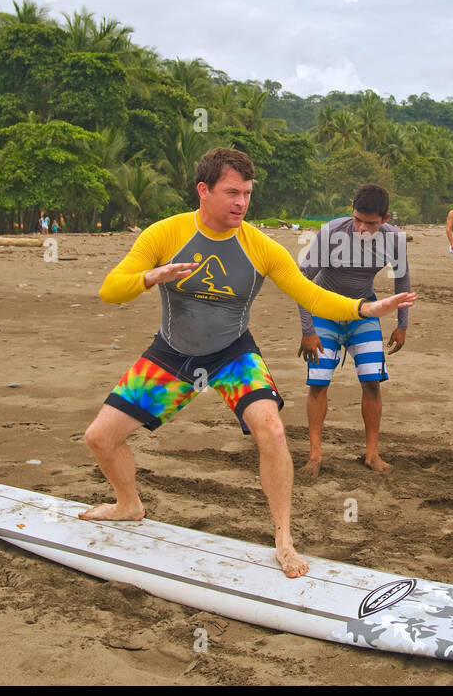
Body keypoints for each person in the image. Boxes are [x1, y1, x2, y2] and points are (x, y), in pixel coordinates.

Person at [81, 147, 415, 578]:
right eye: (231, 192)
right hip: (172, 352)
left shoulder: (260, 246)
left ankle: (284, 541)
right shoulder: (165, 233)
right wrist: (150, 277)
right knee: (100, 439)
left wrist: (366, 310)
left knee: (272, 429)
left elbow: (310, 294)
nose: (241, 202)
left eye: (247, 193)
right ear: (204, 190)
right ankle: (128, 505)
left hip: (232, 353)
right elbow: (111, 289)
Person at [295, 184, 409, 478]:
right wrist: (308, 330)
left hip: (363, 311)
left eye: (370, 223)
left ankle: (372, 453)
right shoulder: (332, 232)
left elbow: (402, 284)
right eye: (357, 219)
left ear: (384, 219)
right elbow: (301, 283)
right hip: (325, 311)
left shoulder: (394, 240)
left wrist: (402, 324)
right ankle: (315, 454)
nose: (361, 227)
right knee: (319, 381)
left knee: (372, 380)